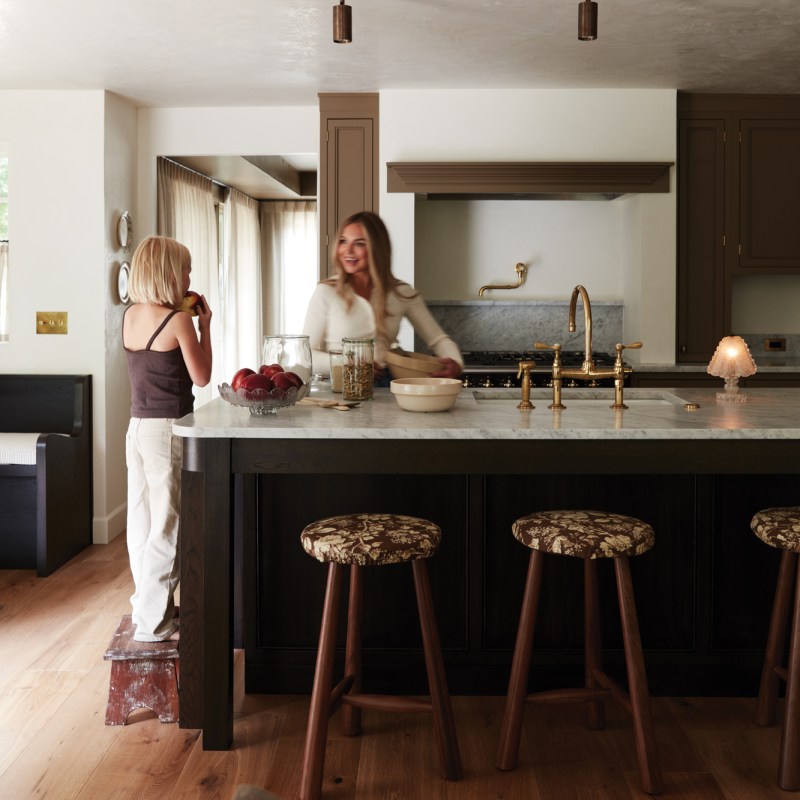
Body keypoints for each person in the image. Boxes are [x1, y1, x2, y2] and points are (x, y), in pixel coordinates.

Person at [122, 236, 212, 642]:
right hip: (167, 431)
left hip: (136, 428)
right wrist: (204, 326)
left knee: (141, 521)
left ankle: (145, 606)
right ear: (168, 273)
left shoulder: (130, 315)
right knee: (169, 524)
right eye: (185, 269)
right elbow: (203, 376)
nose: (189, 276)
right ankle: (155, 624)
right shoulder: (177, 321)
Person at [303, 211, 463, 381]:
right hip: (340, 387)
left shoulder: (401, 292)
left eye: (359, 243)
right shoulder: (326, 292)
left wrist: (456, 362)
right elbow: (306, 355)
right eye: (343, 241)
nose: (347, 250)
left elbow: (438, 339)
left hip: (387, 386)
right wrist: (349, 364)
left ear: (377, 248)